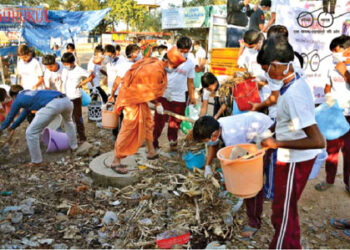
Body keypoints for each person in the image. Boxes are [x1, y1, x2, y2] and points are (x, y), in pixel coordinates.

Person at [257, 36, 325, 248]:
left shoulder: (295, 93)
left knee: (283, 212)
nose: (265, 74)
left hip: (294, 160)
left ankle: (282, 245)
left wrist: (276, 144)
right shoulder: (291, 82)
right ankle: (292, 244)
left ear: (277, 66)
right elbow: (289, 119)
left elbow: (317, 140)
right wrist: (273, 130)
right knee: (282, 207)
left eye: (266, 68)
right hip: (287, 156)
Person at [192, 113, 274, 239]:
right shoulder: (216, 125)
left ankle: (254, 223)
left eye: (206, 140)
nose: (207, 143)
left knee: (251, 182)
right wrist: (207, 166)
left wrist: (232, 180)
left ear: (214, 134)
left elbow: (240, 162)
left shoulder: (232, 137)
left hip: (266, 132)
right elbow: (213, 146)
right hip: (252, 131)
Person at [111, 47, 186, 174]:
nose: (174, 70)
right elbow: (149, 91)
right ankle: (116, 161)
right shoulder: (156, 70)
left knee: (148, 123)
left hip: (137, 99)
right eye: (174, 66)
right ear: (169, 62)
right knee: (128, 129)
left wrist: (157, 102)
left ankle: (151, 151)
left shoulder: (156, 63)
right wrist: (158, 103)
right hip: (131, 99)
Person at [0, 85, 78, 167]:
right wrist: (12, 127)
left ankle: (36, 161)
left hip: (53, 104)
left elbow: (10, 116)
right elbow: (23, 115)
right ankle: (74, 147)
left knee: (31, 133)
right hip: (66, 100)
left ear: (13, 96)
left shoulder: (18, 99)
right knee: (69, 122)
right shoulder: (29, 94)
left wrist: (1, 128)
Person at [315, 35, 350, 193]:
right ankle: (329, 179)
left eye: (336, 51)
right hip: (335, 113)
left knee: (348, 150)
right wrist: (328, 95)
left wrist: (345, 73)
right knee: (332, 149)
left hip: (349, 114)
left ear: (348, 50)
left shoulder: (342, 67)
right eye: (332, 52)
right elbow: (327, 86)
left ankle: (348, 182)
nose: (334, 55)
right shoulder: (332, 65)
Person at [153, 37, 196, 151]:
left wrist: (192, 97)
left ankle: (173, 142)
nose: (184, 53)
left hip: (179, 96)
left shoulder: (190, 64)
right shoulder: (167, 58)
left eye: (186, 51)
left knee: (175, 122)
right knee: (159, 120)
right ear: (177, 49)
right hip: (164, 94)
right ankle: (153, 141)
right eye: (182, 51)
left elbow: (190, 82)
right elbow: (158, 74)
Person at [107, 44, 141, 139]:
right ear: (132, 54)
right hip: (126, 95)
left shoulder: (136, 65)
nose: (139, 54)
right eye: (137, 53)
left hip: (130, 95)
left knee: (124, 115)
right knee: (123, 115)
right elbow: (117, 80)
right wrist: (112, 94)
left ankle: (121, 135)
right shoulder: (126, 66)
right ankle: (120, 136)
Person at [61, 52, 94, 144]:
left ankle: (82, 137)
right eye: (64, 64)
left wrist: (81, 83)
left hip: (75, 97)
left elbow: (91, 76)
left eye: (67, 64)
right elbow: (63, 82)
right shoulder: (64, 70)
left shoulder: (79, 70)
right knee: (68, 118)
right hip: (65, 97)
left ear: (72, 62)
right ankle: (72, 136)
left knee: (77, 117)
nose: (65, 65)